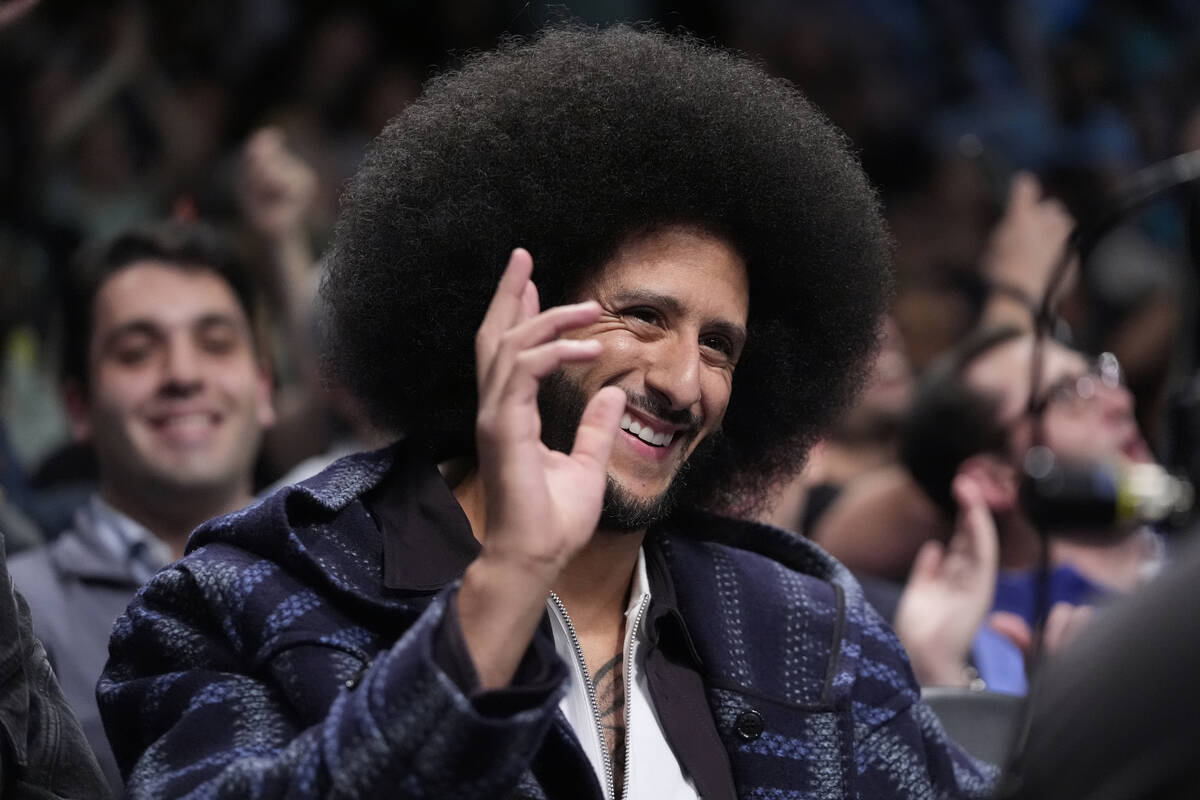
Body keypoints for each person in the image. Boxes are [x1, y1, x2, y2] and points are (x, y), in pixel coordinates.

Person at [99, 26, 995, 798]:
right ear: (508, 312)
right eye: (644, 317)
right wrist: (509, 583)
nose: (685, 382)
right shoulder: (251, 599)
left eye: (719, 346)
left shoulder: (803, 628)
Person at [10, 220, 275, 792]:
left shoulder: (353, 571)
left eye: (216, 343)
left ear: (264, 387)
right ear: (77, 406)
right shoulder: (18, 605)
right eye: (136, 352)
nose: (182, 374)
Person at [893, 326, 1160, 691]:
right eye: (1067, 394)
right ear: (994, 479)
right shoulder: (984, 650)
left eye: (1101, 375)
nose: (1121, 403)